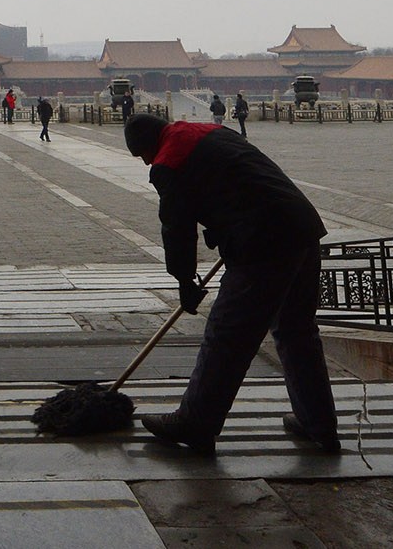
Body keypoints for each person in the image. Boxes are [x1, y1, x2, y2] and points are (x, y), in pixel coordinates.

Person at [122, 112, 339, 455]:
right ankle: (319, 423)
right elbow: (241, 181)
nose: (145, 162)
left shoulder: (168, 160)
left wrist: (183, 279)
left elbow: (177, 228)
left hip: (262, 243)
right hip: (300, 227)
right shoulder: (210, 131)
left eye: (141, 155)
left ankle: (196, 422)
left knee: (226, 334)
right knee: (297, 331)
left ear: (148, 146)